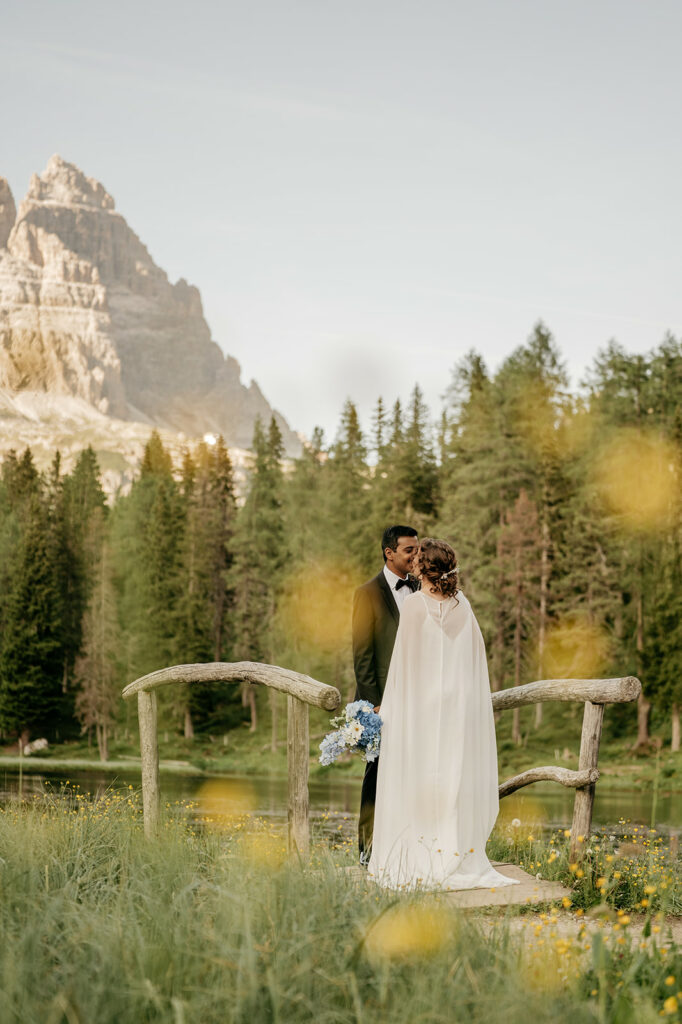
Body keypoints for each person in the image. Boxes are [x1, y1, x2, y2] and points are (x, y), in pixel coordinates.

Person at [367, 538, 519, 891]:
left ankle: (424, 852)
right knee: (452, 776)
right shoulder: (462, 604)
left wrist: (390, 711)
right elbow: (472, 660)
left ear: (423, 568)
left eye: (417, 560)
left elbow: (407, 665)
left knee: (423, 777)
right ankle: (451, 848)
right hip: (457, 707)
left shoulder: (416, 606)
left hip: (424, 706)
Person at [352, 524, 420, 865]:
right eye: (409, 550)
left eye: (418, 549)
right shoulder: (366, 594)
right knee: (375, 776)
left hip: (419, 701)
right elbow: (362, 655)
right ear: (388, 553)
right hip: (381, 704)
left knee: (415, 773)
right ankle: (367, 851)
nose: (416, 556)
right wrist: (374, 704)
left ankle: (408, 850)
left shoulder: (425, 588)